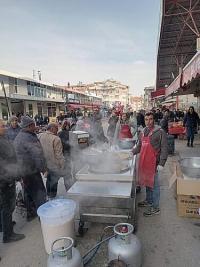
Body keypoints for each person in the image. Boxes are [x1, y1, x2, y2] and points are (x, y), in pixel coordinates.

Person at [132, 112, 168, 217]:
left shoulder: (160, 132)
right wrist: (131, 152)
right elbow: (139, 147)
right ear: (144, 120)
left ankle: (156, 207)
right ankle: (149, 200)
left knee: (155, 186)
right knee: (148, 183)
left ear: (154, 120)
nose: (148, 121)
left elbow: (165, 148)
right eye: (146, 119)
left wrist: (162, 163)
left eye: (151, 119)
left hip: (154, 163)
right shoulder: (142, 132)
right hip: (144, 162)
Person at [14, 116, 47, 221]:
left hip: (23, 171)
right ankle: (44, 217)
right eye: (33, 124)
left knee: (28, 192)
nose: (35, 126)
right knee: (39, 193)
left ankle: (30, 213)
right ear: (29, 126)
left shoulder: (19, 136)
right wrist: (43, 168)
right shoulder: (29, 137)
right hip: (32, 170)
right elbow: (37, 155)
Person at [0, 119, 25, 242]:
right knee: (7, 207)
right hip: (5, 180)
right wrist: (10, 177)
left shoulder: (3, 138)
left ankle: (5, 226)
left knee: (4, 207)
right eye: (2, 126)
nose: (5, 127)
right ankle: (8, 235)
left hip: (5, 178)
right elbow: (5, 162)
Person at [38, 123, 65, 199]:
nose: (58, 130)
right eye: (56, 128)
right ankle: (52, 198)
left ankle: (48, 196)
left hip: (45, 164)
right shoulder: (56, 139)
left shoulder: (40, 135)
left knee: (48, 180)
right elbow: (59, 155)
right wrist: (62, 165)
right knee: (54, 182)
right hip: (54, 165)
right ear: (52, 129)